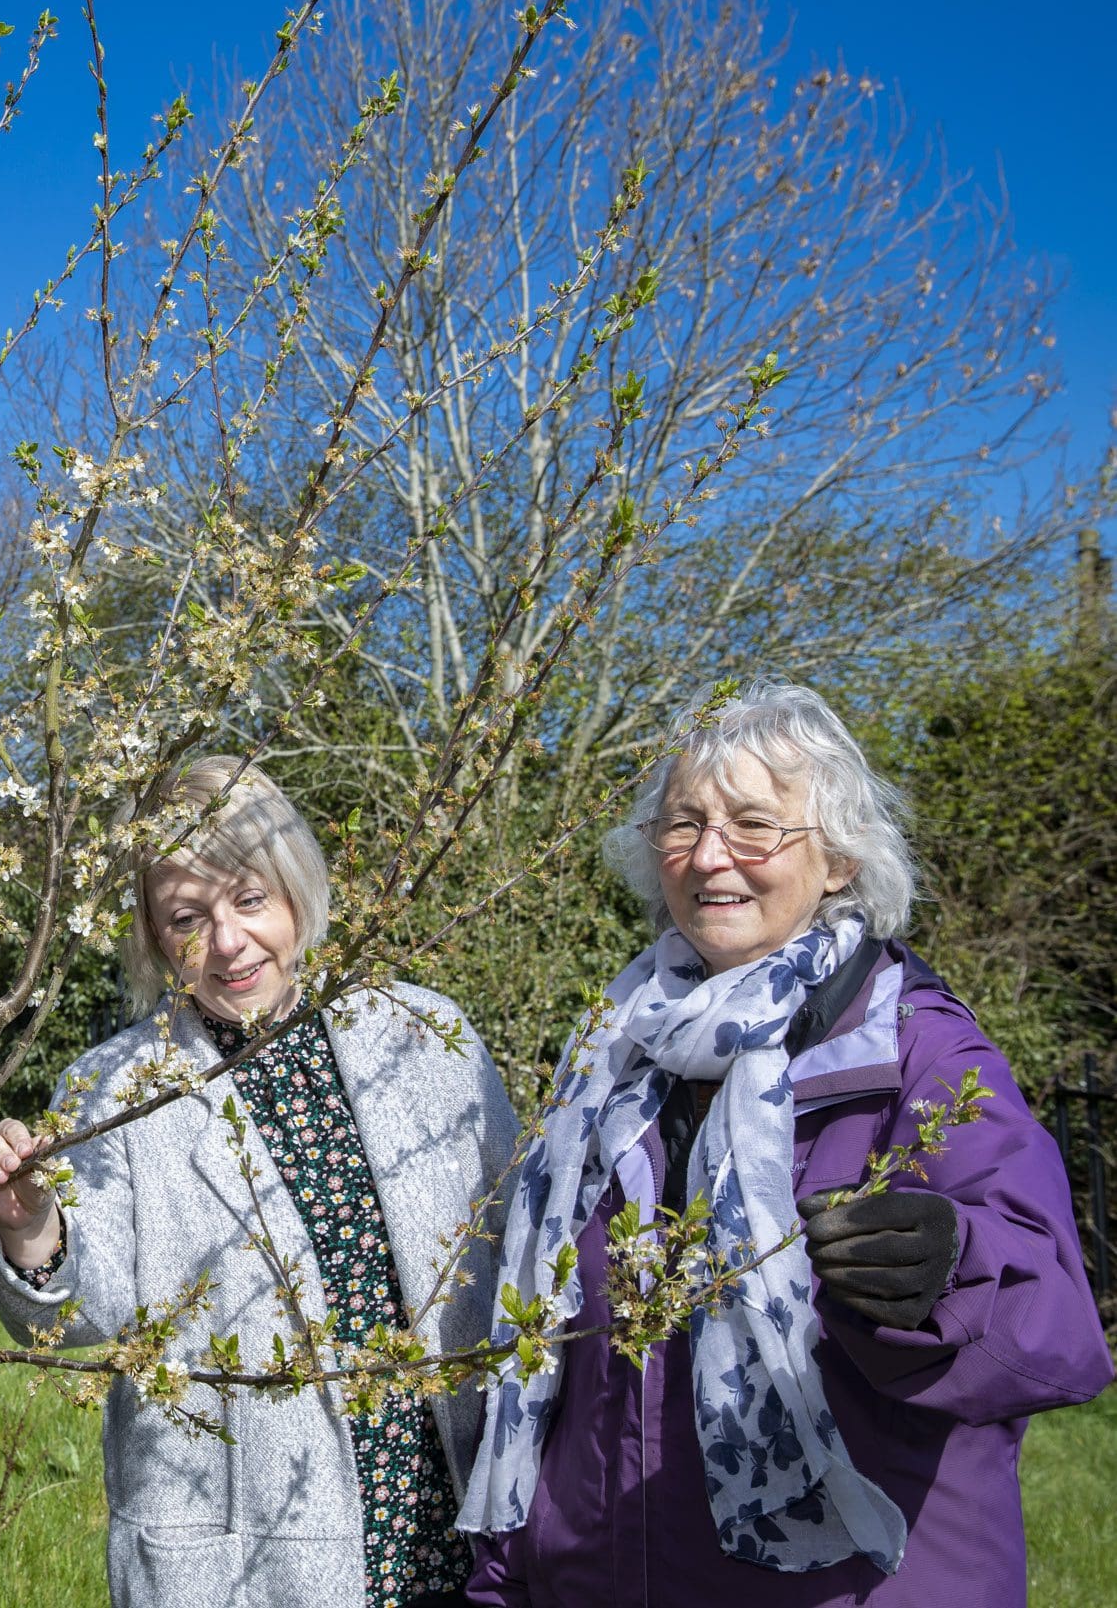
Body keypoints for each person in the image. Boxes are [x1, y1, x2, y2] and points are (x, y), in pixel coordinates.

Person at [458, 682, 1112, 1606]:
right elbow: (555, 1362)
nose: (710, 855)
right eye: (682, 824)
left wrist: (949, 1270)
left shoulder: (913, 1048)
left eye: (755, 825)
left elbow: (1055, 1327)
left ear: (838, 856)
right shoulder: (609, 1058)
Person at [0, 756, 520, 1608]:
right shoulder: (115, 1088)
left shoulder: (425, 1036)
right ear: (153, 935)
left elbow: (521, 1251)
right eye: (187, 916)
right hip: (244, 1561)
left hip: (453, 1537)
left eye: (250, 899)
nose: (226, 943)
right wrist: (30, 1225)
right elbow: (82, 1312)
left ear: (296, 889)